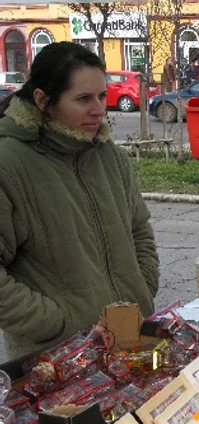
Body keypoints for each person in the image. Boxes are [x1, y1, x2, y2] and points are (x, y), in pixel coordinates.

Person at [0, 42, 160, 360]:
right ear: (43, 100)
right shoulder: (9, 164)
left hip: (130, 342)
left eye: (102, 95)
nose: (99, 109)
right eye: (83, 99)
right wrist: (58, 321)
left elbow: (139, 230)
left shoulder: (110, 156)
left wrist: (143, 286)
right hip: (54, 360)